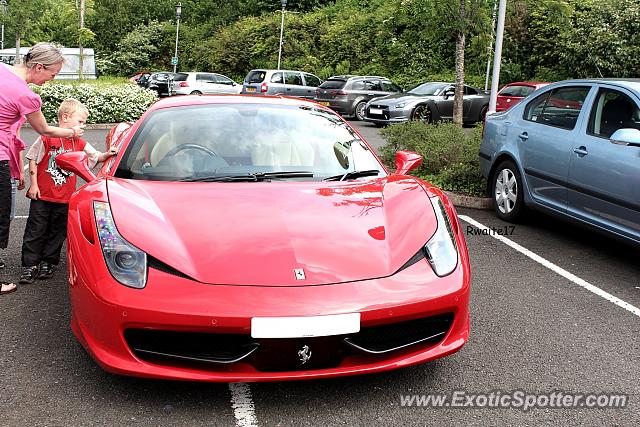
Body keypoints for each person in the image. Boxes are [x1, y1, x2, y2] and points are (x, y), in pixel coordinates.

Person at [0, 42, 85, 295]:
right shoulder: (26, 95)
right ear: (38, 66)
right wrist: (72, 131)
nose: (52, 78)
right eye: (52, 73)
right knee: (1, 217)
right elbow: (45, 130)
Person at [19, 99, 117, 284]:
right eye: (80, 122)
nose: (83, 126)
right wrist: (34, 184)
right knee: (35, 230)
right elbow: (32, 158)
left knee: (57, 232)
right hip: (42, 196)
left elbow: (95, 156)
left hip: (65, 199)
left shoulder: (79, 143)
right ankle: (29, 265)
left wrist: (108, 154)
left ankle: (49, 262)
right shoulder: (47, 137)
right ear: (65, 117)